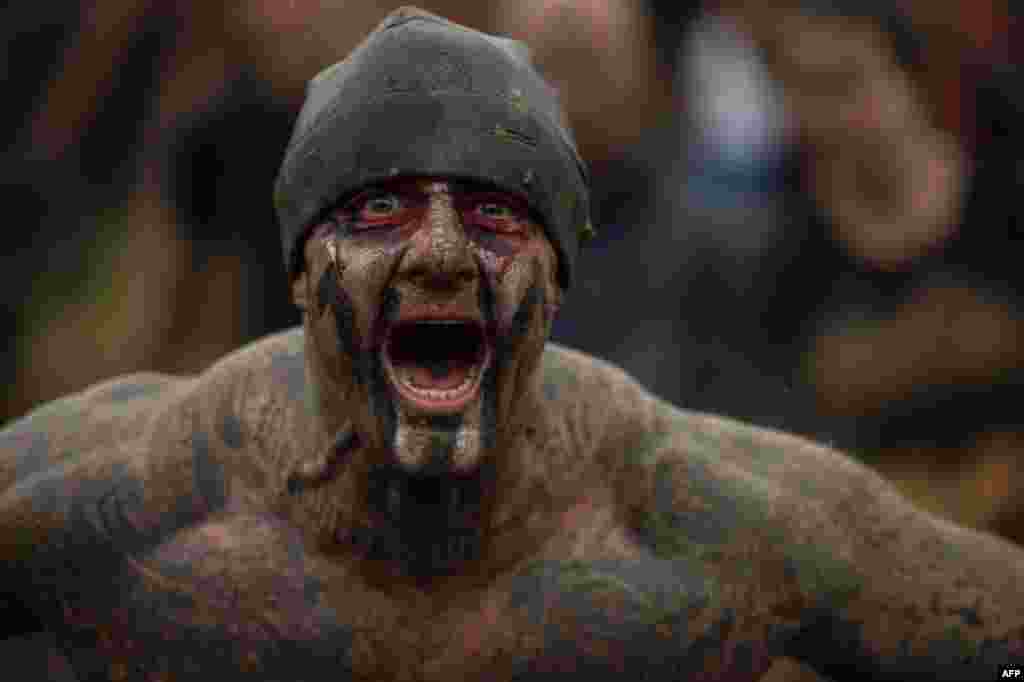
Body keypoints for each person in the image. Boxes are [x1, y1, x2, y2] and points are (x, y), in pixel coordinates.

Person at [0, 7, 1020, 681]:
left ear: (556, 282)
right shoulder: (136, 500)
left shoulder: (706, 518)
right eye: (384, 209)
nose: (441, 254)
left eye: (494, 218)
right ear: (305, 271)